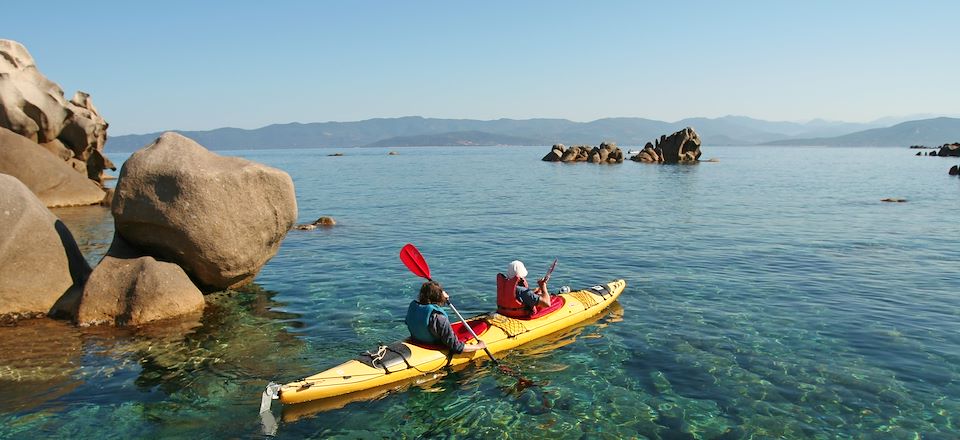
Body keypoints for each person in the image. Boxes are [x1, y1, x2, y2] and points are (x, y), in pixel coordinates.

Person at [405, 281, 487, 354]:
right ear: (439, 296)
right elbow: (456, 347)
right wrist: (479, 346)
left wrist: (440, 295)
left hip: (416, 340)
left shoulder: (413, 307)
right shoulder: (439, 317)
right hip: (432, 345)